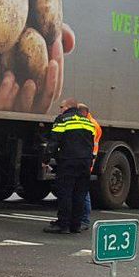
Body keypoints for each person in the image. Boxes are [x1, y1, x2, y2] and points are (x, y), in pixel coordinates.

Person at [43, 98, 97, 234]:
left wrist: (46, 159)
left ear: (67, 107)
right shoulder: (88, 122)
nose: (60, 109)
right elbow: (90, 143)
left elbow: (54, 141)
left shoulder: (63, 120)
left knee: (65, 193)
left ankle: (63, 224)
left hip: (68, 161)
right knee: (79, 193)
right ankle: (76, 225)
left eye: (61, 106)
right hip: (85, 162)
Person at [78, 102, 102, 231]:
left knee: (84, 191)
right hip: (87, 160)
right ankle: (82, 219)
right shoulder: (91, 123)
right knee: (82, 190)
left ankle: (85, 219)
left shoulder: (91, 125)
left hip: (87, 162)